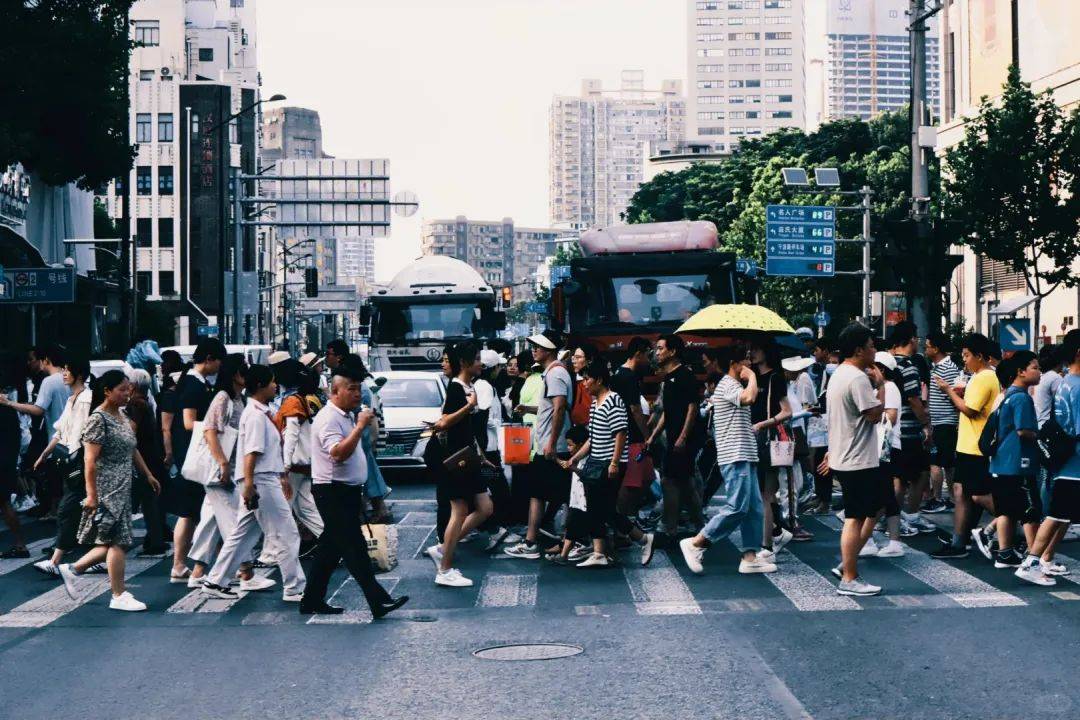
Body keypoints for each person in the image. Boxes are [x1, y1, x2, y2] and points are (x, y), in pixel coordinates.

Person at [302, 364, 409, 616]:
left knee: (330, 550)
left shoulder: (347, 415)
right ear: (334, 391)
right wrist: (360, 427)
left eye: (359, 388)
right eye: (351, 389)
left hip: (347, 491)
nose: (357, 394)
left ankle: (311, 600)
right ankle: (378, 601)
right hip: (331, 491)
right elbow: (338, 453)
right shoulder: (329, 418)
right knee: (355, 549)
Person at [57, 370, 161, 612]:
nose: (127, 394)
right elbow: (90, 461)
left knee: (115, 539)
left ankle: (74, 569)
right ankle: (118, 593)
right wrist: (92, 495)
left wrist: (147, 474)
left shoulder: (122, 416)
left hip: (123, 485)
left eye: (129, 389)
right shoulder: (98, 419)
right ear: (107, 391)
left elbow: (132, 447)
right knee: (117, 540)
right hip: (107, 487)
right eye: (122, 390)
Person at [200, 364, 305, 602]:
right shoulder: (257, 416)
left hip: (259, 479)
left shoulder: (258, 412)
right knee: (286, 533)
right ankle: (294, 587)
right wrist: (249, 483)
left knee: (243, 535)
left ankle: (216, 580)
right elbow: (252, 452)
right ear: (260, 386)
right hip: (261, 480)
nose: (275, 386)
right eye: (271, 383)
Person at [679, 345, 777, 575]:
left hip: (744, 453)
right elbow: (749, 398)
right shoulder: (727, 385)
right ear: (734, 364)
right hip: (735, 455)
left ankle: (750, 556)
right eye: (745, 360)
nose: (750, 364)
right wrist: (752, 377)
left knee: (753, 508)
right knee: (737, 507)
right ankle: (697, 542)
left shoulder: (730, 384)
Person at [563, 359, 654, 568]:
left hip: (610, 463)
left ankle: (640, 539)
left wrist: (614, 462)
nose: (584, 384)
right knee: (598, 507)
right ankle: (601, 552)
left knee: (601, 509)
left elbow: (621, 433)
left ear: (599, 380)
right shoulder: (596, 403)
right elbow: (592, 438)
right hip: (596, 462)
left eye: (587, 379)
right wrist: (576, 458)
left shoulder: (613, 400)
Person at [186, 355, 266, 590]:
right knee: (234, 520)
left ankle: (198, 572)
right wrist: (223, 464)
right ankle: (246, 572)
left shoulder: (238, 398)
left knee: (211, 522)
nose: (247, 376)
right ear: (234, 374)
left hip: (229, 470)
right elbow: (210, 431)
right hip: (221, 471)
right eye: (244, 372)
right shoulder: (222, 398)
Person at [821, 323, 886, 597]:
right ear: (859, 349)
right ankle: (849, 577)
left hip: (845, 454)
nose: (874, 351)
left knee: (863, 514)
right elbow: (873, 414)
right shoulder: (857, 378)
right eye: (871, 346)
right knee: (855, 518)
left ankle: (847, 566)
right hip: (857, 458)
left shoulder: (839, 374)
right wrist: (881, 387)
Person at [424, 342, 493, 586]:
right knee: (459, 510)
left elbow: (467, 429)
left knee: (485, 508)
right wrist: (469, 406)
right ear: (464, 363)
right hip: (454, 461)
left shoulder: (467, 386)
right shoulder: (456, 389)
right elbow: (444, 423)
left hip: (467, 457)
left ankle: (443, 548)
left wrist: (480, 453)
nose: (480, 363)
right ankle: (444, 569)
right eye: (475, 359)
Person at [1015, 330, 1080, 586]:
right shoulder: (1076, 385)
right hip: (1073, 460)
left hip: (1063, 458)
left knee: (1061, 515)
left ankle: (1045, 559)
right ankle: (1031, 562)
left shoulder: (1065, 382)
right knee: (1056, 514)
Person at [931, 334, 999, 560]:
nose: (965, 360)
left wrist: (948, 391)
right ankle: (960, 540)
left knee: (977, 495)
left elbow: (970, 409)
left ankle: (1017, 524)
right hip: (970, 444)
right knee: (963, 493)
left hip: (976, 446)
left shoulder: (984, 377)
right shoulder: (979, 377)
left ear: (980, 356)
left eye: (968, 355)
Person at [506, 332, 571, 559]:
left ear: (550, 350)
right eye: (534, 346)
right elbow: (549, 408)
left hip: (552, 446)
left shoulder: (556, 373)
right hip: (547, 444)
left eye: (539, 347)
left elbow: (560, 408)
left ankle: (541, 542)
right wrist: (529, 409)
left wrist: (551, 443)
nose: (534, 350)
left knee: (555, 494)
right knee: (543, 494)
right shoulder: (551, 373)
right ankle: (538, 541)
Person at [168, 338, 225, 584]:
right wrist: (213, 428)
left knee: (191, 512)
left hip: (189, 453)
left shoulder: (193, 381)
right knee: (190, 512)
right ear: (209, 358)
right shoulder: (193, 384)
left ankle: (182, 565)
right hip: (193, 454)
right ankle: (180, 564)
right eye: (218, 361)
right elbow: (188, 422)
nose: (219, 368)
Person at [30, 355, 93, 576]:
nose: (64, 373)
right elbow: (60, 431)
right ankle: (95, 555)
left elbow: (87, 433)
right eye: (64, 369)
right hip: (72, 460)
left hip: (83, 460)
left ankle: (56, 561)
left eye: (68, 370)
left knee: (68, 509)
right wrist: (44, 454)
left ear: (79, 374)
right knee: (83, 510)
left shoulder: (86, 399)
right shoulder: (71, 399)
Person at [985, 351, 1041, 569]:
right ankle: (1035, 558)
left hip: (1001, 463)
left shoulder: (1007, 396)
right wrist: (1040, 435)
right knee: (1031, 510)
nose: (1039, 372)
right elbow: (1023, 430)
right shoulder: (1022, 398)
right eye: (1035, 367)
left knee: (1006, 510)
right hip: (1019, 463)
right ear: (1021, 372)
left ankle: (1005, 554)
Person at [646, 334, 703, 544]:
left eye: (661, 348)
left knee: (670, 481)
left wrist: (683, 437)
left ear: (672, 352)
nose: (657, 352)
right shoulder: (667, 378)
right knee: (685, 483)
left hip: (682, 441)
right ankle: (699, 526)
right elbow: (667, 413)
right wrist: (653, 436)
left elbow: (692, 407)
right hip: (672, 438)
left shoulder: (684, 375)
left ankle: (670, 528)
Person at [887, 326, 936, 536]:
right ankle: (907, 516)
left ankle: (895, 518)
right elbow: (913, 399)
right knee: (920, 475)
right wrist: (925, 422)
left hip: (893, 430)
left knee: (898, 477)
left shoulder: (887, 364)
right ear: (911, 340)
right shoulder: (908, 366)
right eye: (916, 338)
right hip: (908, 429)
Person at [745, 340, 792, 555]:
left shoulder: (775, 377)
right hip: (751, 437)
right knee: (761, 493)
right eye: (750, 349)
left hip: (767, 438)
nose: (752, 352)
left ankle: (767, 545)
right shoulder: (750, 377)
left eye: (756, 348)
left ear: (767, 351)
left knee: (765, 493)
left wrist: (764, 423)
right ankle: (777, 531)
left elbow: (787, 411)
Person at [276, 366, 325, 554]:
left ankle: (275, 552)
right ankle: (334, 545)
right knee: (306, 509)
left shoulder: (293, 402)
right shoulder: (309, 400)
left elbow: (291, 435)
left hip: (295, 465)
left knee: (283, 509)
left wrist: (285, 465)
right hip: (307, 463)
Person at [611, 337, 655, 537]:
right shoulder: (626, 376)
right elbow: (635, 409)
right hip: (631, 438)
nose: (650, 359)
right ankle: (623, 526)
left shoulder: (628, 374)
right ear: (639, 353)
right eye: (648, 354)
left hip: (635, 438)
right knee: (630, 484)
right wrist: (648, 436)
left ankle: (629, 519)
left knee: (647, 478)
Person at [125, 369, 168, 555]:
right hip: (152, 454)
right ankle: (156, 538)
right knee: (151, 499)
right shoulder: (147, 402)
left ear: (132, 386)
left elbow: (131, 431)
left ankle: (155, 540)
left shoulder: (136, 404)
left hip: (143, 457)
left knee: (148, 500)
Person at [475, 349, 513, 550]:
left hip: (489, 447)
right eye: (499, 366)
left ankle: (493, 528)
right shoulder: (484, 387)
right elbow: (483, 417)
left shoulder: (486, 385)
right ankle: (494, 529)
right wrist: (497, 424)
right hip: (487, 450)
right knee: (497, 489)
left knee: (493, 488)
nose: (501, 369)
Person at [925, 332, 960, 514]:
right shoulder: (936, 367)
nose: (926, 349)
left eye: (928, 346)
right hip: (938, 421)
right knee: (945, 462)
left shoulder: (949, 368)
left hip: (946, 420)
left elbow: (956, 394)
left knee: (939, 461)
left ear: (936, 348)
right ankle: (949, 498)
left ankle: (940, 498)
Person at [0, 354, 29, 558]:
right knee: (4, 503)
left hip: (3, 462)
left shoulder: (4, 407)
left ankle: (20, 545)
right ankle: (20, 544)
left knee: (4, 503)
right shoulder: (7, 407)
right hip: (7, 461)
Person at [569, 343, 598, 426]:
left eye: (578, 357)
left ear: (590, 360)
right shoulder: (572, 379)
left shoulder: (595, 382)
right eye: (573, 358)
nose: (574, 361)